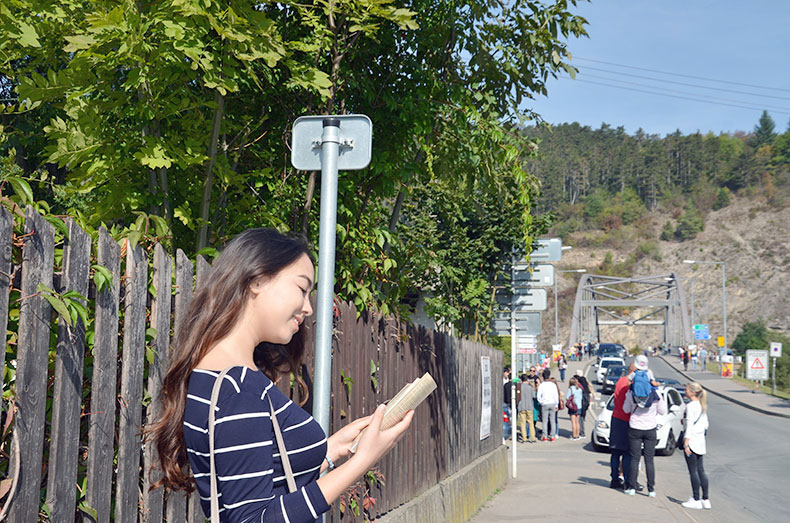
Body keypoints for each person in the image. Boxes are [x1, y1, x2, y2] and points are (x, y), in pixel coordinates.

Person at [146, 228, 413, 522]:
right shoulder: (239, 390)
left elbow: (267, 477)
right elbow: (253, 518)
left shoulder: (212, 374)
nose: (309, 307)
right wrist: (362, 462)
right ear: (257, 279)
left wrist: (334, 449)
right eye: (302, 289)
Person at [623, 357, 667, 498]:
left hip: (635, 427)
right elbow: (662, 411)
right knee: (649, 460)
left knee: (635, 459)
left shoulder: (630, 393)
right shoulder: (656, 394)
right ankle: (651, 489)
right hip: (650, 429)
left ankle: (631, 488)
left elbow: (625, 410)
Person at [682, 382, 711, 510]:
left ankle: (695, 499)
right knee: (701, 470)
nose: (685, 390)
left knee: (693, 471)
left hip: (692, 442)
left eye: (687, 389)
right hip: (700, 441)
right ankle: (705, 499)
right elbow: (706, 425)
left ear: (692, 392)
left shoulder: (690, 406)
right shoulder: (702, 405)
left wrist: (686, 443)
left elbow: (689, 427)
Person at [609, 362, 635, 490]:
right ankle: (626, 480)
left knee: (615, 452)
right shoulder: (631, 384)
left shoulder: (620, 380)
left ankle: (614, 479)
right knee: (627, 453)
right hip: (627, 419)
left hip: (616, 417)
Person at [537, 369, 559, 441]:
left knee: (545, 421)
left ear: (543, 376)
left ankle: (545, 436)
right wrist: (556, 405)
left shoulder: (541, 385)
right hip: (552, 403)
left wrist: (541, 402)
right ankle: (552, 436)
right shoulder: (553, 385)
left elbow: (538, 396)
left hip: (545, 404)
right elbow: (556, 396)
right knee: (552, 420)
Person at [518, 374, 537, 443]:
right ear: (527, 379)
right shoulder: (530, 387)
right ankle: (533, 437)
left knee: (522, 423)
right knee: (530, 423)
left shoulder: (519, 387)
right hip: (529, 406)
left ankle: (524, 438)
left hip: (521, 406)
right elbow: (533, 396)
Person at [575, 369, 593, 438]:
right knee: (582, 417)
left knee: (579, 418)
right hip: (586, 400)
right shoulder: (585, 380)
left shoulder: (578, 382)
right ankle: (581, 432)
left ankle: (580, 433)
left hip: (580, 401)